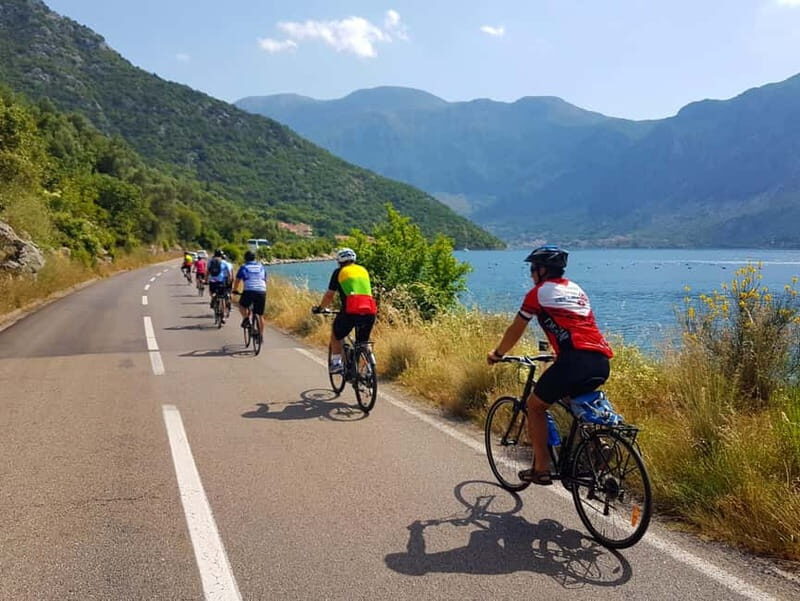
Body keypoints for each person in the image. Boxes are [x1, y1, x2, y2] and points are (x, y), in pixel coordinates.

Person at [487, 245, 613, 485]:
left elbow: (516, 328)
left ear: (542, 270)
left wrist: (498, 353)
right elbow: (576, 327)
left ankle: (541, 468)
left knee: (535, 406)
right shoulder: (577, 290)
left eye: (533, 269)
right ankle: (598, 445)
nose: (531, 274)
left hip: (574, 361)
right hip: (600, 361)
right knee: (569, 397)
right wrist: (560, 354)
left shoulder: (538, 293)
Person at [312, 248, 377, 374]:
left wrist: (320, 308)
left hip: (351, 310)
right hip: (370, 310)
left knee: (336, 333)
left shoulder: (339, 272)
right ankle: (368, 370)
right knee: (363, 342)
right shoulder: (363, 270)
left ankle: (336, 363)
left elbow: (329, 295)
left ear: (339, 261)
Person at [234, 250, 267, 334]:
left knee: (241, 305)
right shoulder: (261, 266)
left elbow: (237, 280)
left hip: (249, 290)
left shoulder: (244, 267)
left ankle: (246, 319)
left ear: (245, 258)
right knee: (260, 315)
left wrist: (235, 290)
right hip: (261, 290)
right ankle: (260, 336)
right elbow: (265, 279)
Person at [207, 249, 233, 321]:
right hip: (221, 282)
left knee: (211, 292)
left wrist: (206, 280)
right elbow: (230, 274)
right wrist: (229, 282)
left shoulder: (210, 262)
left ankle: (213, 298)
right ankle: (223, 315)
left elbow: (207, 272)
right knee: (223, 298)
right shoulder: (225, 263)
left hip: (212, 282)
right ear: (221, 255)